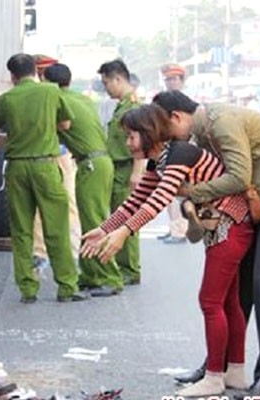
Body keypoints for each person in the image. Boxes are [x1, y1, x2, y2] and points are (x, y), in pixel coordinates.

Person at [81, 104, 253, 397]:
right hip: (226, 227)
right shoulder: (159, 161)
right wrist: (106, 228)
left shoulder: (179, 154)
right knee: (227, 303)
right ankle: (234, 373)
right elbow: (136, 201)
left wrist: (124, 232)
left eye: (131, 136)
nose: (128, 143)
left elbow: (158, 200)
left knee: (211, 302)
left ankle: (214, 378)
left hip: (230, 226)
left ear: (148, 133)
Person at [152, 90, 260, 399]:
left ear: (176, 117)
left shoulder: (221, 122)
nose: (166, 139)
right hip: (256, 205)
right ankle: (218, 368)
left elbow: (238, 176)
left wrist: (192, 192)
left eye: (164, 129)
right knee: (238, 292)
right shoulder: (203, 131)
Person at [0, 53, 89, 303]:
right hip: (46, 166)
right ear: (35, 71)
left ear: (12, 76)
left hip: (17, 168)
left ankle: (28, 289)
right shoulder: (51, 92)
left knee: (22, 230)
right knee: (57, 227)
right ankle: (66, 287)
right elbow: (65, 125)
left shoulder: (6, 99)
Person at [41, 63, 119, 297]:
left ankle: (110, 278)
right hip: (101, 162)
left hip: (91, 164)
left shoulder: (56, 101)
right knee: (91, 221)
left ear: (47, 82)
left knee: (96, 223)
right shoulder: (81, 98)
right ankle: (92, 275)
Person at [31, 55, 82, 274]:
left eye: (43, 74)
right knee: (62, 204)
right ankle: (51, 252)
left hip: (57, 155)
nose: (41, 79)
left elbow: (66, 124)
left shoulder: (55, 98)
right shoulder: (48, 97)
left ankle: (65, 252)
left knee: (63, 204)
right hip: (57, 156)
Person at [97, 59, 142, 289]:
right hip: (117, 167)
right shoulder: (122, 105)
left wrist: (137, 172)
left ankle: (129, 269)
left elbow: (141, 141)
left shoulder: (133, 107)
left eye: (106, 83)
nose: (106, 88)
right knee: (118, 216)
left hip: (126, 168)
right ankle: (124, 266)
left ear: (118, 79)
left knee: (127, 219)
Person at [157, 63, 189, 244]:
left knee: (178, 192)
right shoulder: (165, 101)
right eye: (168, 79)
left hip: (180, 151)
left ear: (181, 81)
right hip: (168, 150)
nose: (171, 82)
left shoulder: (183, 102)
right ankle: (174, 227)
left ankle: (180, 230)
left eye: (174, 79)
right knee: (168, 194)